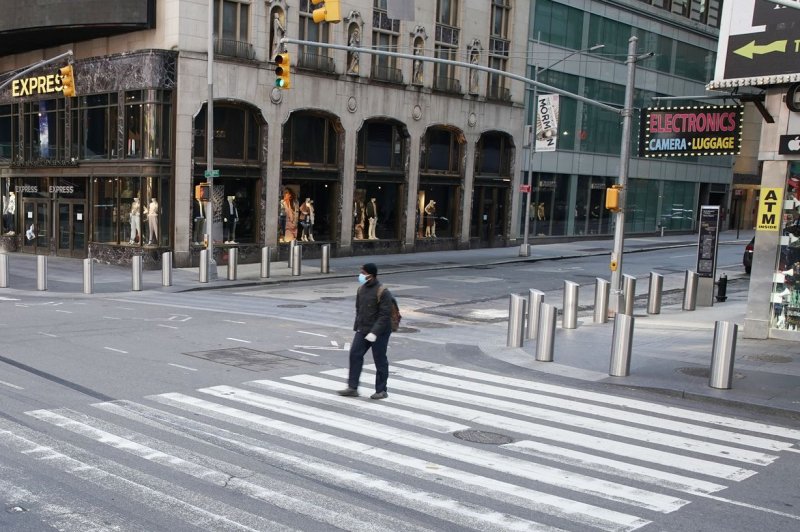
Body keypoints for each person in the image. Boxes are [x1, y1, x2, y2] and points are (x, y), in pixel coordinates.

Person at [339, 263, 393, 400]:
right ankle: (352, 388)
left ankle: (381, 390)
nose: (361, 275)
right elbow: (359, 310)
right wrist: (357, 327)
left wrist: (374, 332)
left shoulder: (383, 291)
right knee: (355, 354)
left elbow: (384, 315)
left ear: (371, 275)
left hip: (379, 332)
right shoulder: (361, 289)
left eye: (363, 273)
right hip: (363, 329)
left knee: (379, 359)